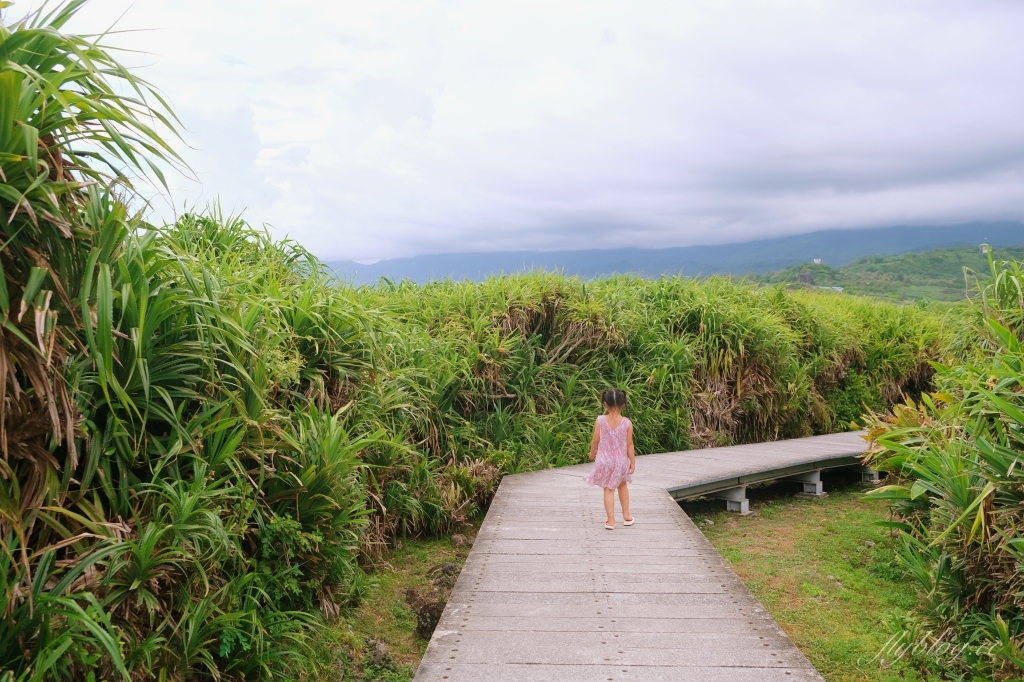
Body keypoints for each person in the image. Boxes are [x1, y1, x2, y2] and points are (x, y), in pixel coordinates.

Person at [584, 388, 636, 529]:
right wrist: (632, 461)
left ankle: (611, 521)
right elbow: (629, 444)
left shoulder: (600, 420)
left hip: (604, 461)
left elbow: (595, 440)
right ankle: (626, 516)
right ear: (623, 404)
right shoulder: (627, 423)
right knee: (622, 485)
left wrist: (592, 453)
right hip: (620, 461)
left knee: (608, 489)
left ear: (605, 403)